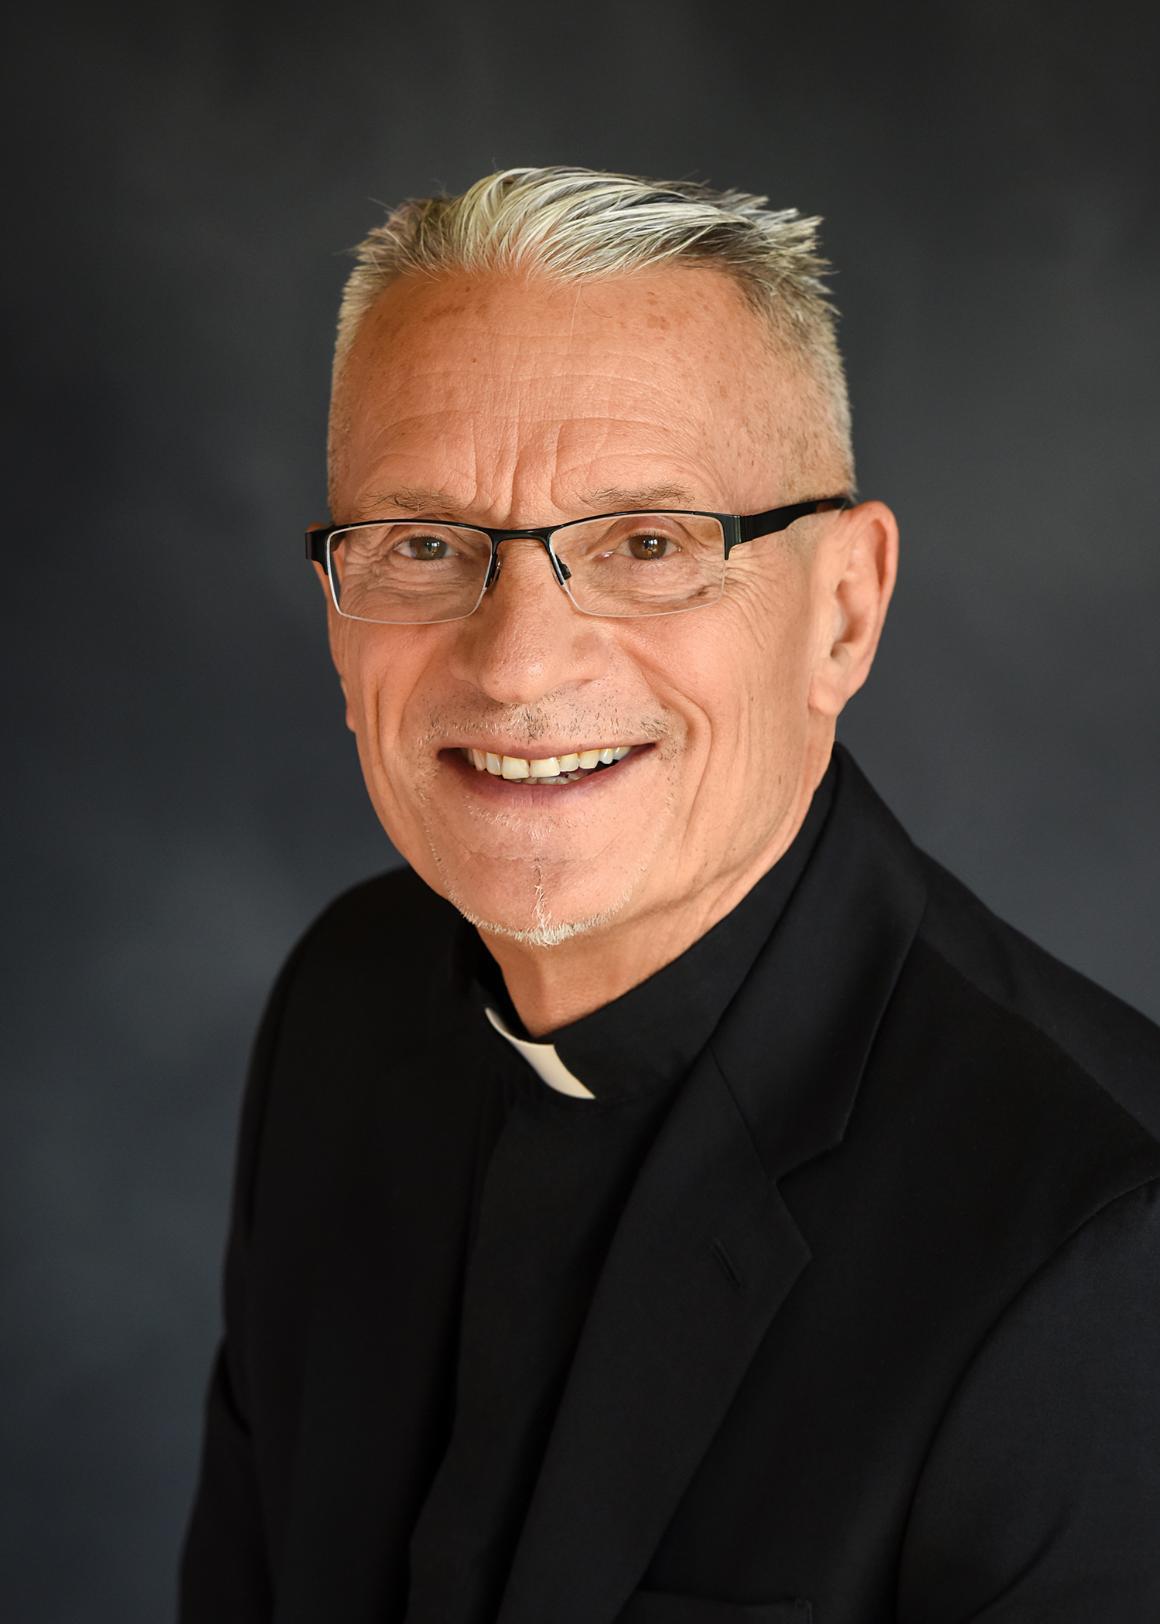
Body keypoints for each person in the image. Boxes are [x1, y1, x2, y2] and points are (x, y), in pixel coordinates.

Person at [179, 167, 1160, 1624]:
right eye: (427, 545)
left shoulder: (1104, 1257)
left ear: (844, 609)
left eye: (648, 545)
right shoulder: (343, 999)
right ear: (339, 612)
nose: (516, 664)